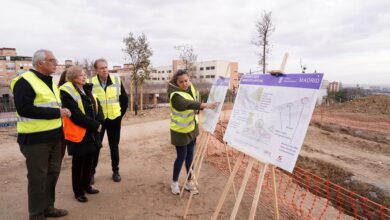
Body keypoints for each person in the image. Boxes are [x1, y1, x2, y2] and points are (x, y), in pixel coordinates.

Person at [10, 49, 69, 220]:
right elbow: (25, 109)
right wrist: (57, 113)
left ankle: (48, 208)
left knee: (53, 173)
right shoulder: (24, 81)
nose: (55, 63)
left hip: (54, 137)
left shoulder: (49, 81)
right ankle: (36, 214)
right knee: (38, 178)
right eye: (52, 60)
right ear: (40, 63)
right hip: (35, 140)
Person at [167, 69, 218, 195]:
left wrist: (199, 109)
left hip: (192, 128)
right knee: (181, 157)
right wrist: (204, 105)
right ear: (176, 82)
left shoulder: (190, 88)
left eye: (186, 80)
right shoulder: (175, 96)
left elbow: (195, 97)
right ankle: (174, 182)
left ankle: (189, 182)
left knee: (190, 156)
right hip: (180, 131)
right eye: (181, 82)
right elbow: (188, 103)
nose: (185, 84)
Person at [59, 66, 104, 203]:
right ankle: (78, 191)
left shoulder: (87, 89)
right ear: (73, 77)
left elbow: (98, 107)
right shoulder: (66, 92)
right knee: (78, 163)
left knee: (90, 161)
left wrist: (100, 121)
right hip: (78, 133)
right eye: (80, 75)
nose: (84, 77)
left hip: (91, 132)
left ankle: (86, 185)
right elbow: (75, 115)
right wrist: (95, 125)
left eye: (84, 75)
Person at [89, 58, 128, 183]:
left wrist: (119, 115)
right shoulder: (90, 83)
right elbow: (88, 103)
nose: (104, 70)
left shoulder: (116, 80)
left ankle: (115, 171)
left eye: (106, 67)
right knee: (96, 147)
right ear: (96, 70)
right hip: (98, 121)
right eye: (101, 68)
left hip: (114, 119)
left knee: (114, 146)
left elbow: (124, 100)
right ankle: (91, 173)